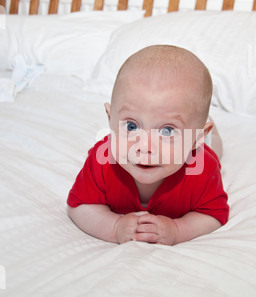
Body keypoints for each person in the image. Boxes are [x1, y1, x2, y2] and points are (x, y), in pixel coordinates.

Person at [67, 45, 229, 246]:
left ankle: (208, 129)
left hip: (200, 146)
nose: (144, 146)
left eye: (167, 130)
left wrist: (178, 230)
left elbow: (213, 215)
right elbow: (79, 206)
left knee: (216, 148)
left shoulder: (202, 169)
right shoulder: (102, 161)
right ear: (110, 119)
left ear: (197, 137)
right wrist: (115, 227)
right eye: (132, 126)